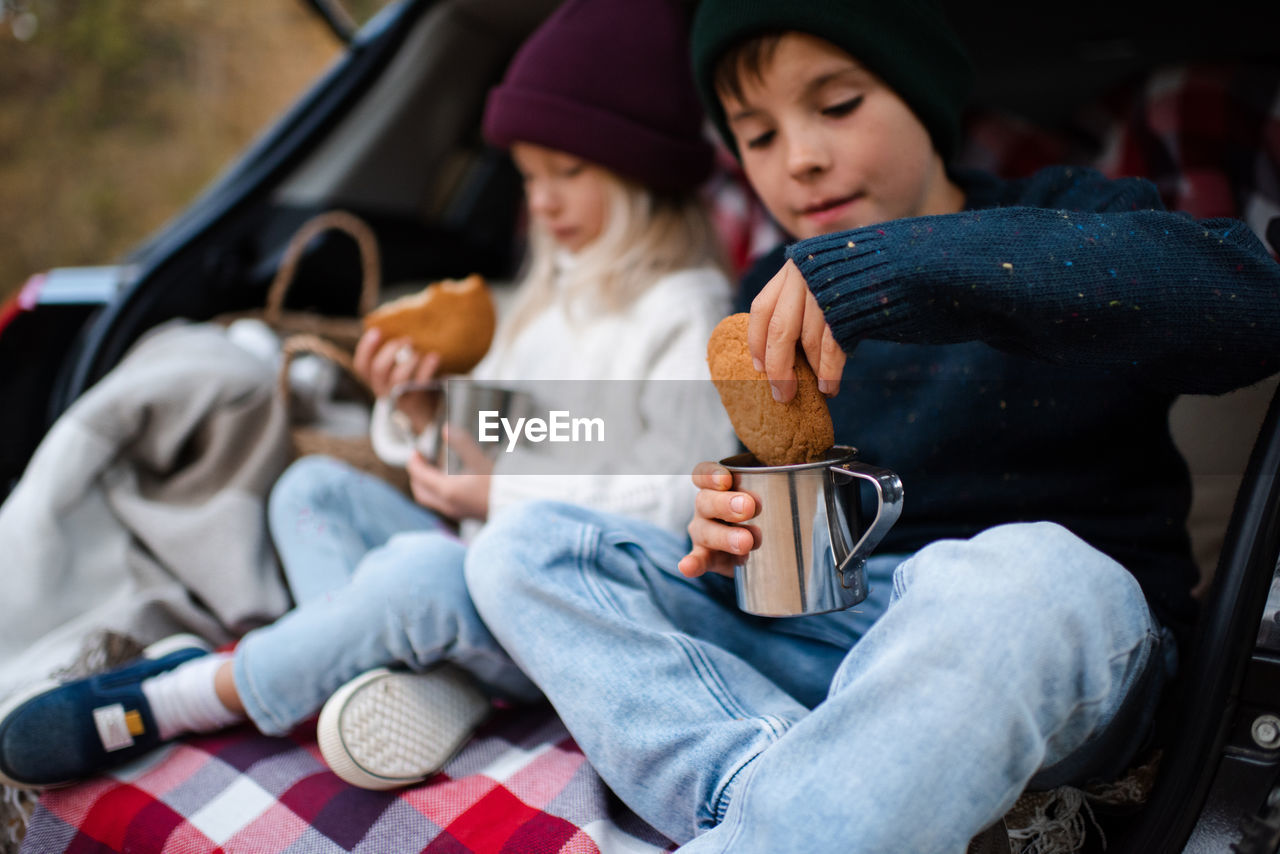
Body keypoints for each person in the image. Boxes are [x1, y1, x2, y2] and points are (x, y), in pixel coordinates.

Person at [462, 1, 1280, 851]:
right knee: (523, 549)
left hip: (1063, 643)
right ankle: (761, 784)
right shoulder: (762, 297)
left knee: (1022, 572)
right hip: (843, 633)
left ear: (923, 98)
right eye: (758, 136)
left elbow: (1252, 307)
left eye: (838, 107)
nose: (801, 162)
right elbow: (787, 473)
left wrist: (902, 266)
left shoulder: (1067, 213)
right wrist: (730, 524)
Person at [0, 0, 734, 793]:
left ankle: (180, 695)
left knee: (416, 571)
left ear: (643, 171)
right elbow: (519, 433)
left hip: (565, 604)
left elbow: (682, 503)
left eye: (569, 172)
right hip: (473, 559)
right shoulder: (550, 297)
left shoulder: (685, 312)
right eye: (528, 177)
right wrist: (424, 413)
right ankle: (396, 681)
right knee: (310, 490)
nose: (543, 202)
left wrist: (501, 490)